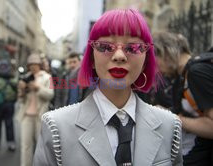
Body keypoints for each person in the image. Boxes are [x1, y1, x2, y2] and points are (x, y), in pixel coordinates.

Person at [33, 9, 183, 166]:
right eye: (105, 47)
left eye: (133, 48)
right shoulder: (56, 127)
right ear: (91, 57)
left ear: (146, 59)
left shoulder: (170, 126)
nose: (119, 56)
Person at [153, 31, 213, 166]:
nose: (156, 69)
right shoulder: (182, 77)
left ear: (165, 52)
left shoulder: (196, 72)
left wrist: (170, 117)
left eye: (155, 61)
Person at [16, 53, 54, 166]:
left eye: (35, 64)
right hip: (26, 115)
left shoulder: (47, 77)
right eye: (30, 64)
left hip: (40, 115)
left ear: (39, 64)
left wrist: (38, 88)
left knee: (40, 146)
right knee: (25, 145)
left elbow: (50, 95)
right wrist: (22, 91)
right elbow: (20, 99)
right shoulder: (25, 77)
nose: (33, 66)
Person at [0, 60, 18, 152]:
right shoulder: (11, 77)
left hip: (3, 104)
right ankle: (8, 143)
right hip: (6, 104)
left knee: (0, 124)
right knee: (7, 124)